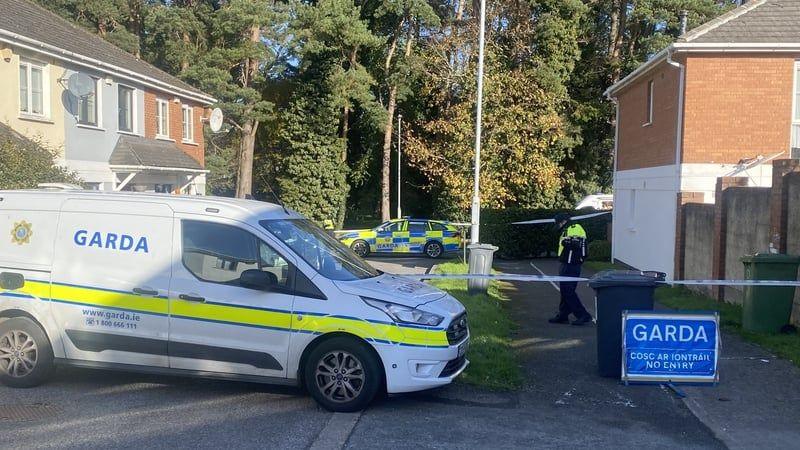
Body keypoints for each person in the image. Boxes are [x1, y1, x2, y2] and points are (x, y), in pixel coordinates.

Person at [548, 213, 593, 326]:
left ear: (563, 221)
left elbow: (576, 244)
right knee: (565, 291)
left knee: (568, 291)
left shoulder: (574, 228)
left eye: (558, 223)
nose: (558, 226)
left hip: (571, 264)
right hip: (566, 263)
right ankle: (563, 315)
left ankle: (583, 315)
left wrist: (566, 242)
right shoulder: (567, 229)